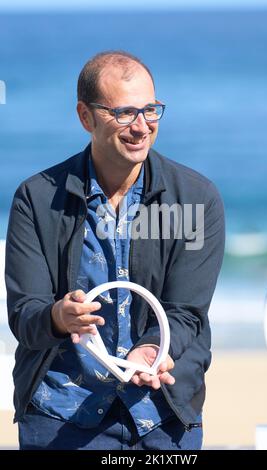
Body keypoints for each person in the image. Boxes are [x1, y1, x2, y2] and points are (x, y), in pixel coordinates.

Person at [5, 50, 225, 451]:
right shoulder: (36, 199)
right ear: (85, 117)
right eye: (124, 113)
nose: (141, 127)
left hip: (162, 413)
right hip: (60, 415)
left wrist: (152, 348)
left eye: (151, 110)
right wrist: (59, 316)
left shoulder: (196, 198)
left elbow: (187, 310)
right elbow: (24, 316)